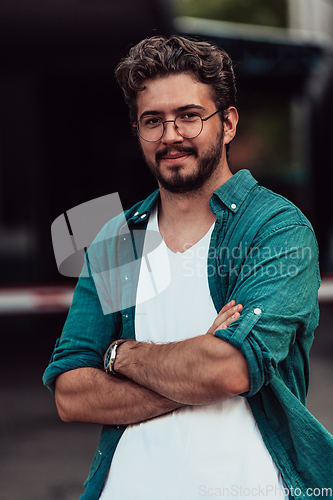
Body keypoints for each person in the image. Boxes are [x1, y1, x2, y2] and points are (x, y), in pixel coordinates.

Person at [43, 35, 333, 500]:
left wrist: (119, 355)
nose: (170, 135)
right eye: (152, 120)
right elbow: (72, 393)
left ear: (229, 123)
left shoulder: (274, 229)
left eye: (189, 116)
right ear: (136, 130)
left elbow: (231, 371)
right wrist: (197, 361)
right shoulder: (120, 241)